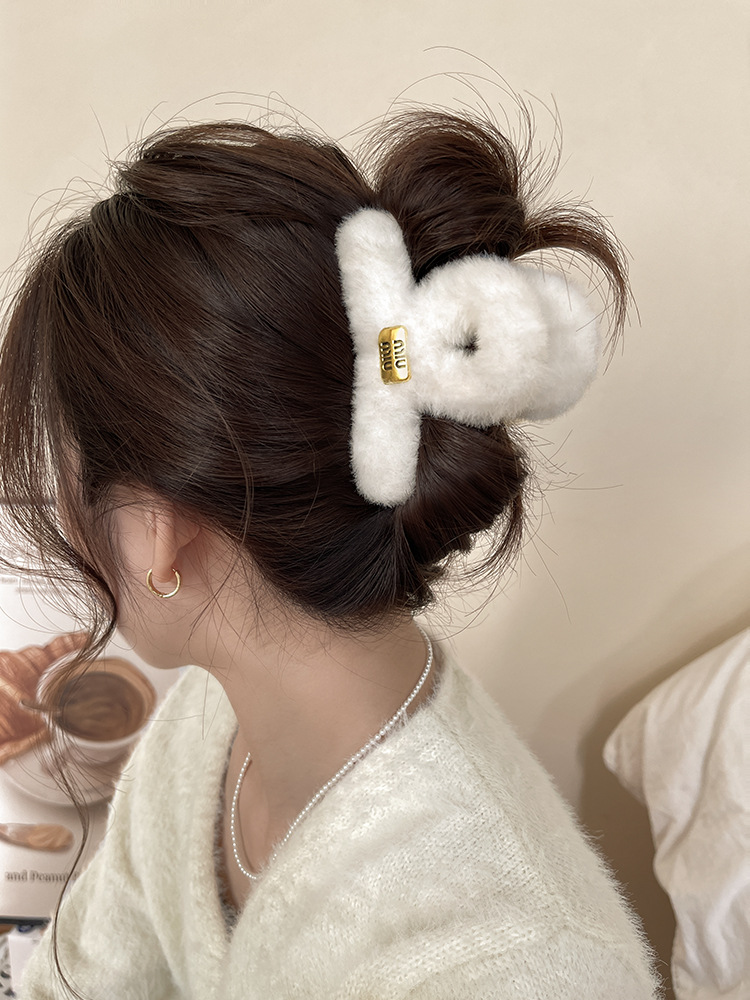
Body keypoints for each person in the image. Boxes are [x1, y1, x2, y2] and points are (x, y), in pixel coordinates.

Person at [0, 108, 662, 998]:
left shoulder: (516, 967)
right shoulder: (209, 720)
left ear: (159, 531)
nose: (64, 516)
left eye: (68, 477)